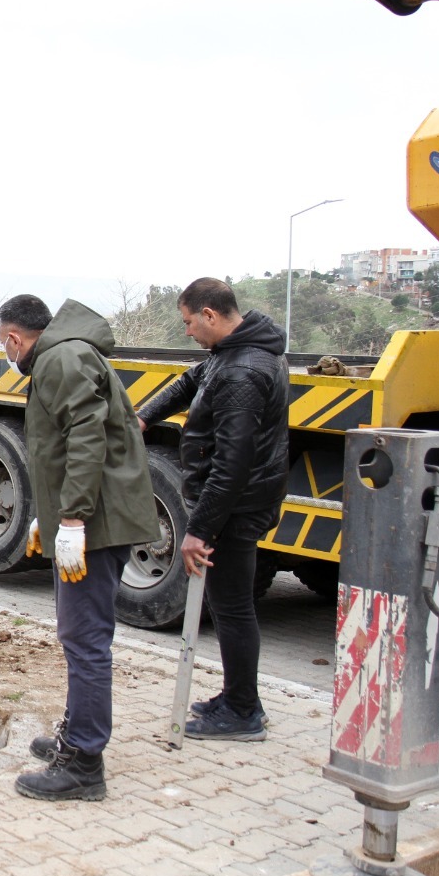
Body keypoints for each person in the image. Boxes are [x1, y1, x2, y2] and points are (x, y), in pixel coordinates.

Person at [0, 293, 157, 802]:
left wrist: (72, 519)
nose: (7, 351)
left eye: (5, 344)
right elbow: (64, 444)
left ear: (15, 338)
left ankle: (84, 763)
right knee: (80, 635)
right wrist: (52, 510)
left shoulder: (61, 359)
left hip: (97, 522)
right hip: (97, 516)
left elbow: (88, 439)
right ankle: (76, 736)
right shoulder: (65, 353)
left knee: (84, 638)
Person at [137, 277, 288, 742]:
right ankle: (238, 696)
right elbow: (189, 382)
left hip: (235, 509)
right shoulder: (235, 351)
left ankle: (244, 712)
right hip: (240, 503)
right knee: (228, 607)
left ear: (210, 315)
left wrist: (199, 530)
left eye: (188, 322)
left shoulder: (243, 371)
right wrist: (142, 416)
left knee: (234, 608)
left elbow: (232, 463)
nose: (187, 332)